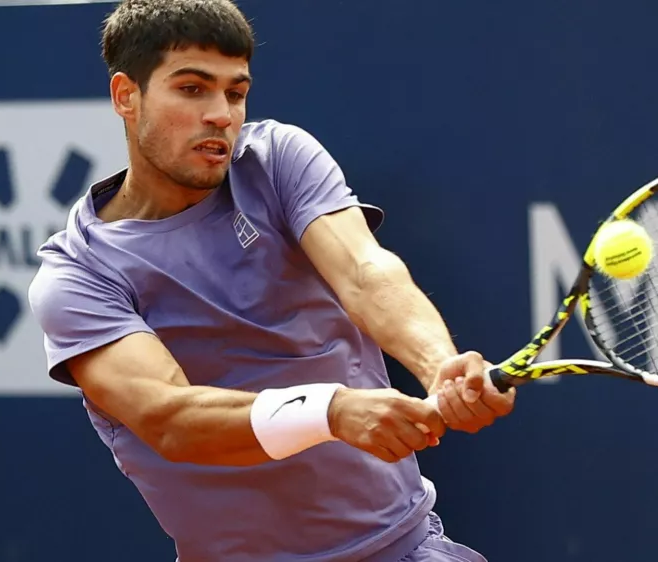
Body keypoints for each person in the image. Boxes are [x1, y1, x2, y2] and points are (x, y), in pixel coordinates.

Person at [27, 0, 515, 560]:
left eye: (235, 93)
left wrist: (439, 367)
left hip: (405, 548)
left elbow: (364, 271)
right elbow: (170, 419)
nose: (220, 115)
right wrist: (329, 411)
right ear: (126, 96)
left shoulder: (277, 157)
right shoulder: (79, 273)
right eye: (192, 89)